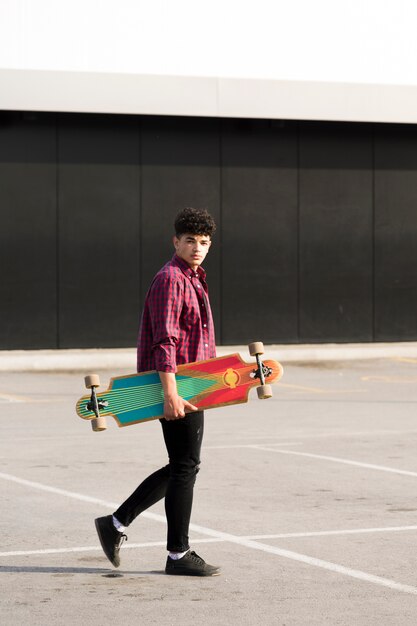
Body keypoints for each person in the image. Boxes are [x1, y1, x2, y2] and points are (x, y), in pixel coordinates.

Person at [94, 207, 220, 576]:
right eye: (191, 241)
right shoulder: (171, 279)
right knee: (185, 467)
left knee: (183, 466)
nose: (198, 248)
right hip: (175, 385)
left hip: (192, 383)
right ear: (175, 241)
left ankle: (116, 523)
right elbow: (165, 341)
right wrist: (169, 393)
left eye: (205, 242)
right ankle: (177, 554)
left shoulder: (194, 276)